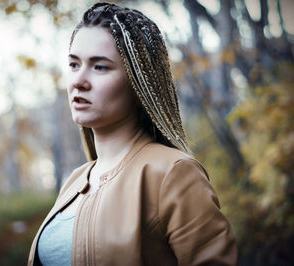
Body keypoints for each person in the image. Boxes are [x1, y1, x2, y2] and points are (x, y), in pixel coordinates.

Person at [28, 2, 238, 265]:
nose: (79, 80)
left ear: (138, 82)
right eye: (73, 64)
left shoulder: (172, 173)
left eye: (100, 66)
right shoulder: (74, 182)